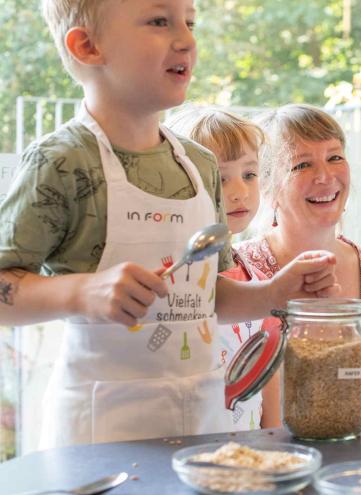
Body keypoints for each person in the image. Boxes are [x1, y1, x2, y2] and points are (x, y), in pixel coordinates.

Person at [0, 0, 338, 448]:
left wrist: (274, 293)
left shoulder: (198, 163)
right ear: (87, 46)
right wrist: (83, 292)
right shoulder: (61, 161)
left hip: (203, 427)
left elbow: (204, 295)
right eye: (160, 21)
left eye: (190, 22)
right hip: (100, 437)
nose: (187, 40)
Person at [236, 104, 361, 417]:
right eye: (301, 165)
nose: (325, 176)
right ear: (267, 186)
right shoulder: (242, 271)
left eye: (335, 157)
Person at [166, 106, 282, 429]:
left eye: (249, 174)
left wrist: (273, 442)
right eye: (219, 178)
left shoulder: (257, 278)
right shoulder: (175, 278)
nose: (239, 192)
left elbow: (266, 373)